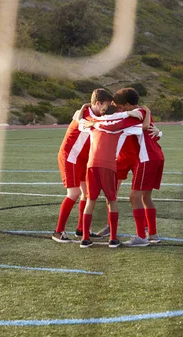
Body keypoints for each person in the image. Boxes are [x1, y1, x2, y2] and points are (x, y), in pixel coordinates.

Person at [52, 89, 139, 243]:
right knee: (73, 193)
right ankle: (58, 231)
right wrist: (128, 114)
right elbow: (100, 119)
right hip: (72, 157)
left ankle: (81, 230)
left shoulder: (91, 113)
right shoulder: (87, 114)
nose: (107, 109)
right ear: (97, 104)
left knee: (86, 194)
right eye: (105, 105)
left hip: (84, 159)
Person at [76, 90, 145, 248]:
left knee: (90, 200)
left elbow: (80, 120)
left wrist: (85, 107)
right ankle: (113, 238)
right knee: (112, 200)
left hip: (92, 166)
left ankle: (85, 238)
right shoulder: (119, 126)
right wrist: (135, 114)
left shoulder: (93, 124)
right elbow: (141, 127)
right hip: (108, 166)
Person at [108, 87, 164, 247]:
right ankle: (152, 234)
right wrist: (159, 132)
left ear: (127, 105)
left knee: (134, 197)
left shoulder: (136, 114)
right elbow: (151, 130)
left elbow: (116, 122)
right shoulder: (144, 112)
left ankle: (141, 236)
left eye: (120, 107)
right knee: (146, 197)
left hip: (146, 158)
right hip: (156, 156)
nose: (120, 109)